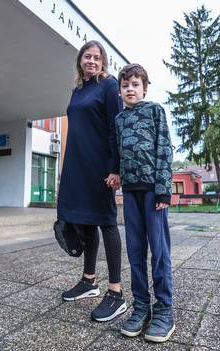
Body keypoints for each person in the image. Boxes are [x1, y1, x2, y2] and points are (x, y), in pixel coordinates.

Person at [57, 40, 126, 322]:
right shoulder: (78, 90)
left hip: (100, 167)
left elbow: (116, 127)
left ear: (102, 62)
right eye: (87, 56)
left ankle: (116, 292)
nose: (92, 61)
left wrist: (115, 167)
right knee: (84, 222)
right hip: (76, 166)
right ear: (80, 60)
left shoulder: (109, 86)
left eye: (97, 58)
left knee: (106, 221)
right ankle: (88, 281)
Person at [115, 63, 175, 342]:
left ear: (145, 88)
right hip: (130, 192)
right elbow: (118, 153)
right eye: (125, 85)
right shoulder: (119, 120)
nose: (130, 89)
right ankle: (141, 307)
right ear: (120, 91)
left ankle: (164, 309)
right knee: (136, 252)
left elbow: (164, 148)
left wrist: (164, 190)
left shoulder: (155, 111)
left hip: (154, 192)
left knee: (159, 252)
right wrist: (117, 176)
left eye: (135, 84)